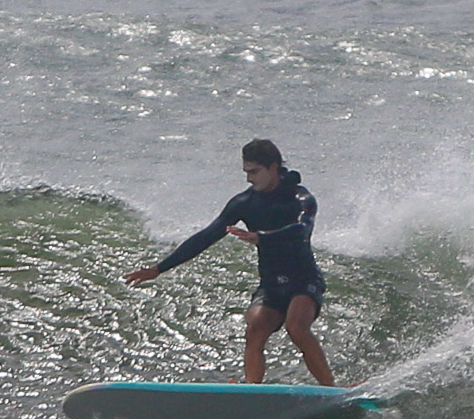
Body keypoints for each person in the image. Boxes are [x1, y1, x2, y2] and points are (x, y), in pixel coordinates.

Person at [123, 139, 335, 386]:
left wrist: (261, 238)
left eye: (254, 172)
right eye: (246, 172)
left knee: (296, 327)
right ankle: (251, 389)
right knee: (254, 329)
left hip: (304, 279)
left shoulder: (300, 198)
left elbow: (302, 229)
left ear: (273, 167)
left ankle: (331, 388)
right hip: (271, 284)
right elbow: (207, 236)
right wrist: (159, 268)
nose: (249, 179)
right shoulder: (244, 203)